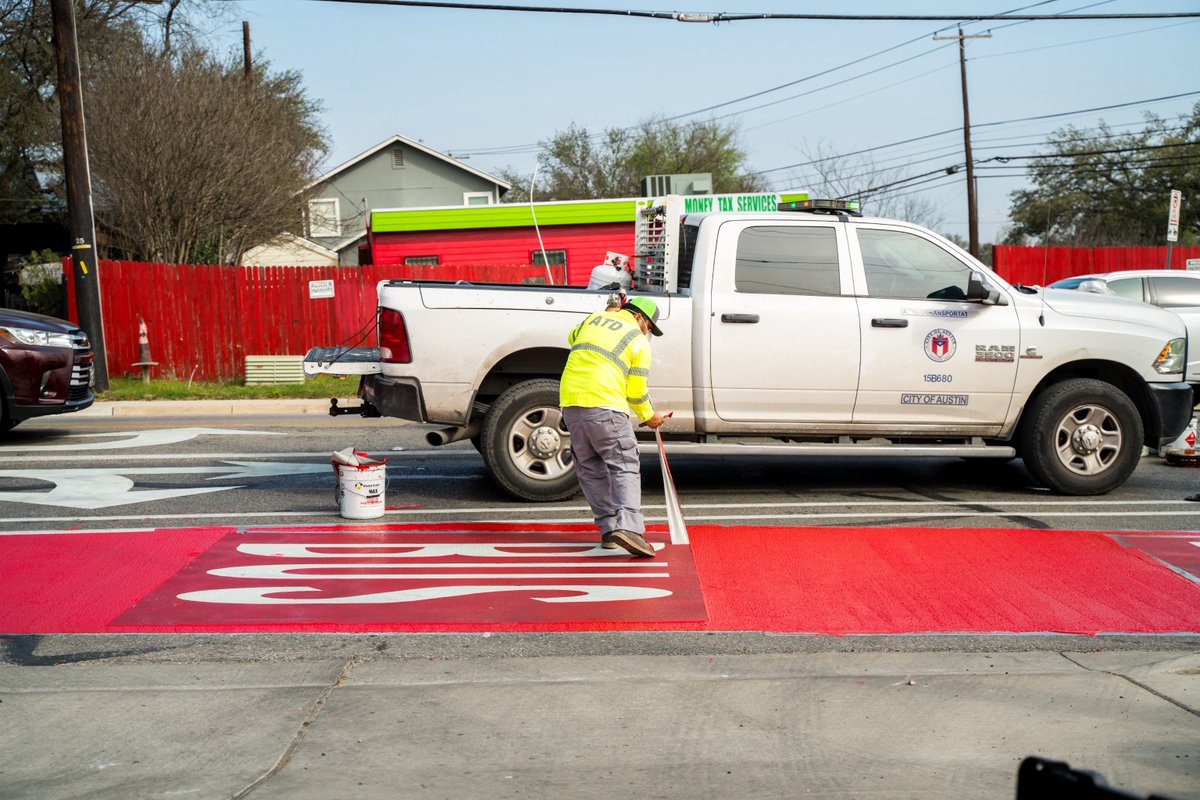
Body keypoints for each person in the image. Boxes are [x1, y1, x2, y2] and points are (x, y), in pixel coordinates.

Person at [560, 296, 666, 557]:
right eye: (650, 327)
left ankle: (609, 530)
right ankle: (629, 527)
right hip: (605, 405)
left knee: (590, 468)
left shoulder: (592, 320)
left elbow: (571, 337)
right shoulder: (637, 339)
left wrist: (607, 311)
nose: (648, 332)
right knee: (624, 463)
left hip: (571, 404)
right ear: (639, 318)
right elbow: (636, 391)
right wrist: (650, 416)